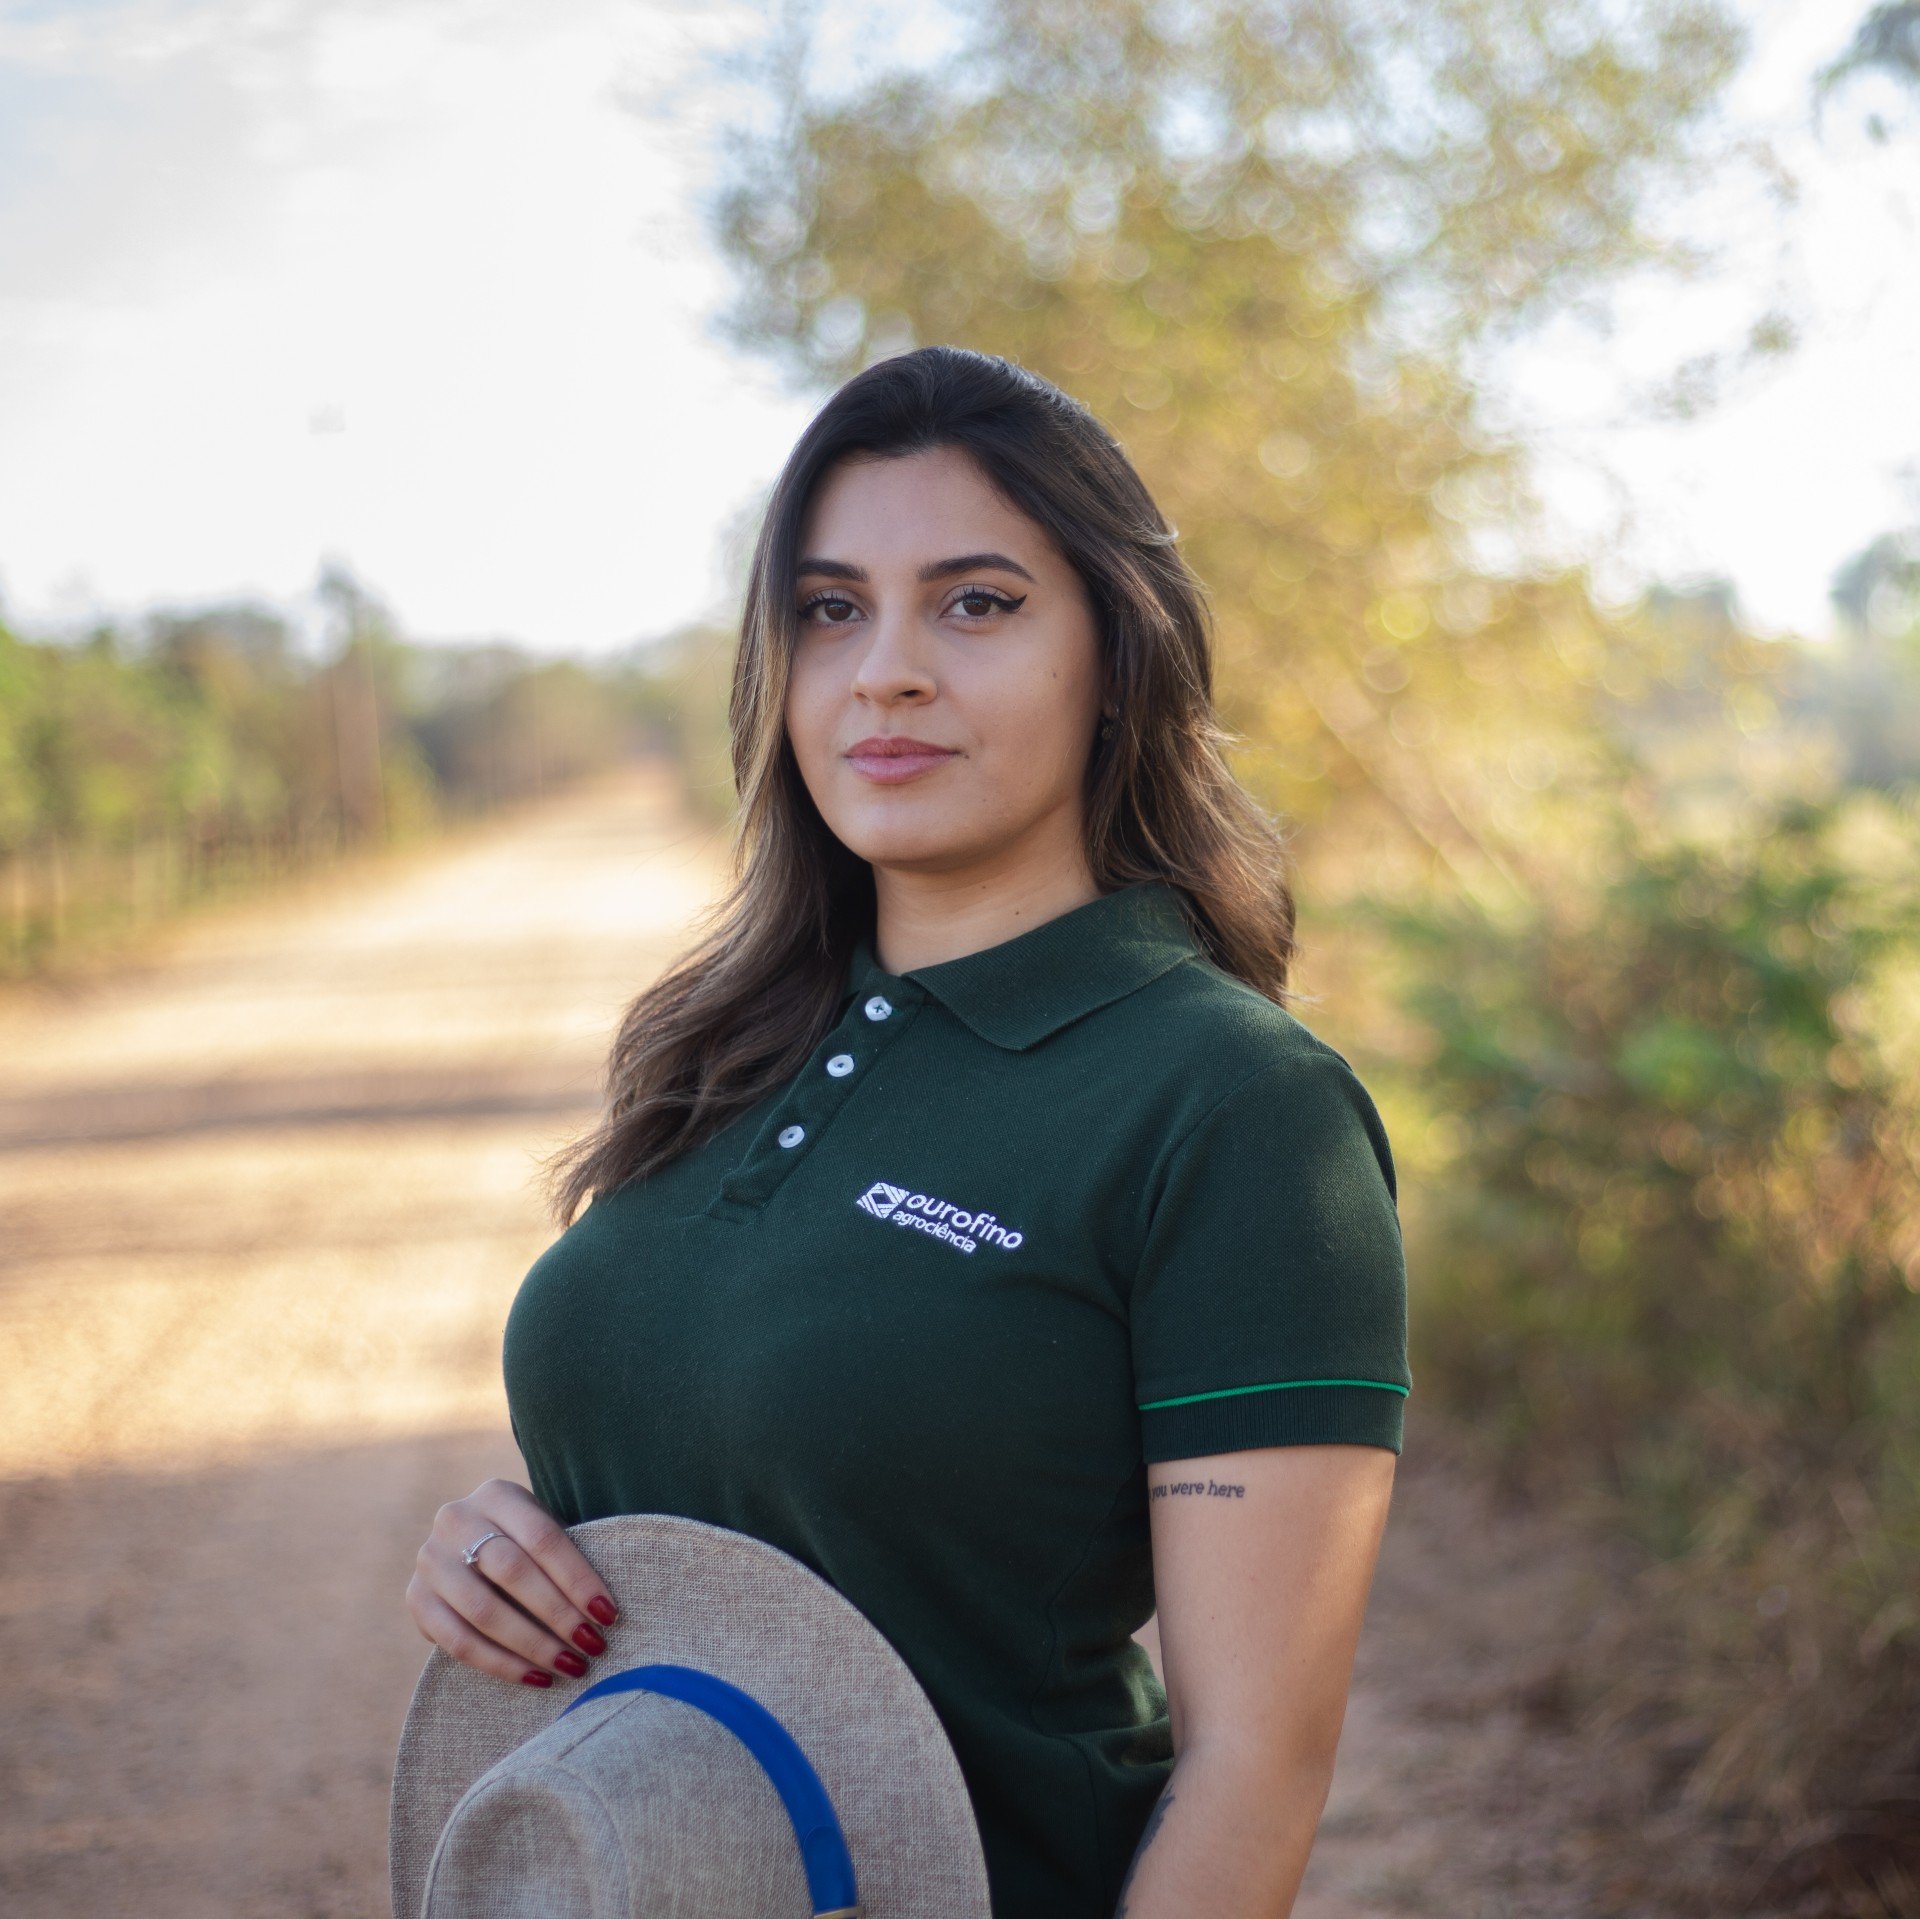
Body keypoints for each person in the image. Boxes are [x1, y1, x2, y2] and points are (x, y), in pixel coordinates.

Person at [403, 344, 1411, 1919]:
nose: (886, 669)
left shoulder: (1232, 1107)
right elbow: (715, 1468)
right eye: (830, 609)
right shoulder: (718, 1044)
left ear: (1118, 658)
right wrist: (504, 1549)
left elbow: (1257, 1768)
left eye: (978, 602)